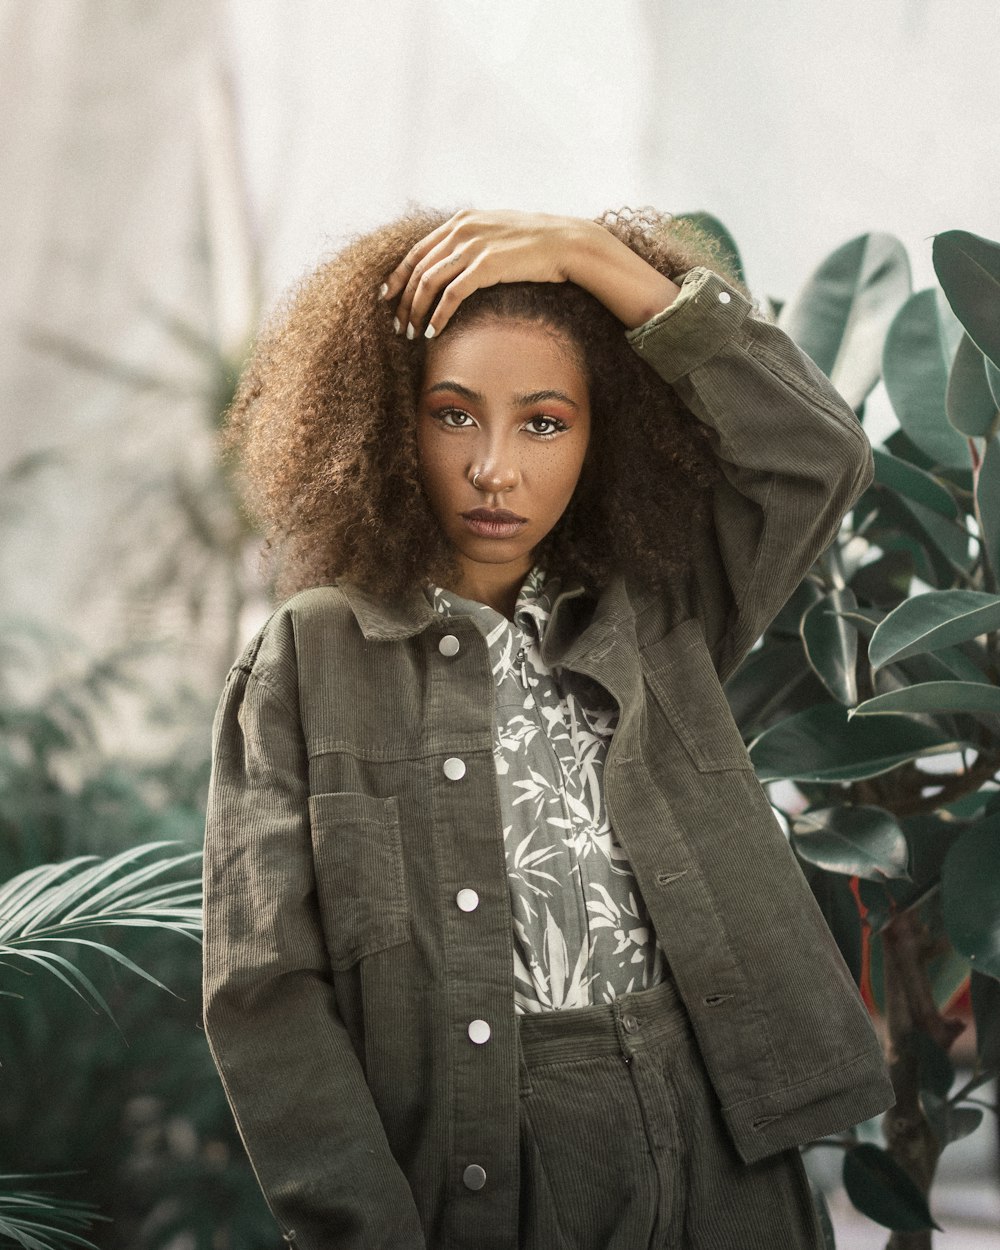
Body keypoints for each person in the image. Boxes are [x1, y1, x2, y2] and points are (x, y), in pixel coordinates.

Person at [202, 207, 895, 1250]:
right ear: (388, 424)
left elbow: (814, 452)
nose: (494, 468)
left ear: (599, 432)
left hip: (718, 1130)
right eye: (452, 414)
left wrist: (589, 261)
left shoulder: (661, 610)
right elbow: (264, 990)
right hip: (489, 1149)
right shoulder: (311, 658)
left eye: (543, 420)